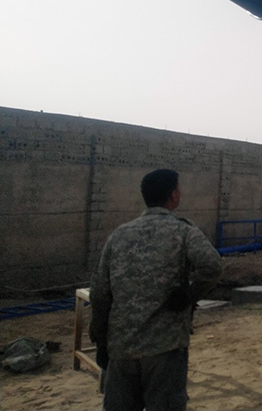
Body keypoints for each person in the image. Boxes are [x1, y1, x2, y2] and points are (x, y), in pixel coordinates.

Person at [90, 169, 223, 411]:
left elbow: (99, 293)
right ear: (174, 196)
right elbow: (212, 265)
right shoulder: (183, 231)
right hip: (165, 350)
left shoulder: (119, 235)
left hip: (122, 350)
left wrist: (101, 341)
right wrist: (189, 295)